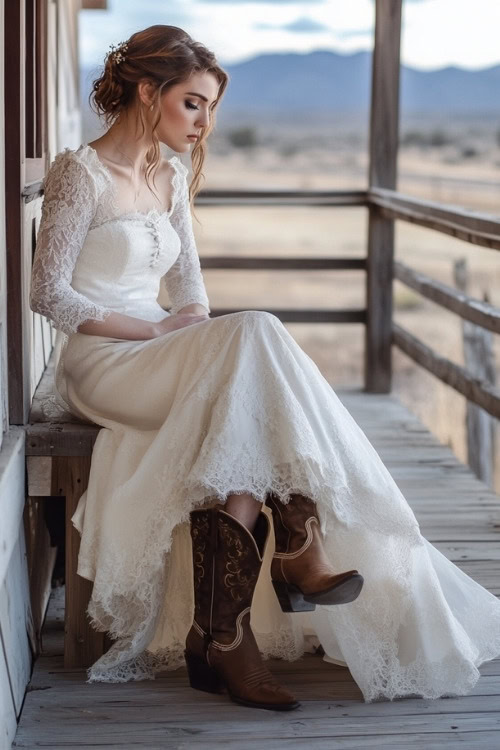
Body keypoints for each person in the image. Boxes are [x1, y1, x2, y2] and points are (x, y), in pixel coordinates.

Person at [30, 24, 500, 711]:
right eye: (193, 103)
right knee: (259, 335)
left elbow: (193, 292)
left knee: (247, 379)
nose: (204, 122)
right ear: (145, 90)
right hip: (102, 361)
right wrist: (157, 328)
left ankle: (224, 636)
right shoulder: (82, 172)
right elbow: (50, 294)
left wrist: (185, 322)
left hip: (163, 354)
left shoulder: (169, 176)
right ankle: (292, 554)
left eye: (210, 107)